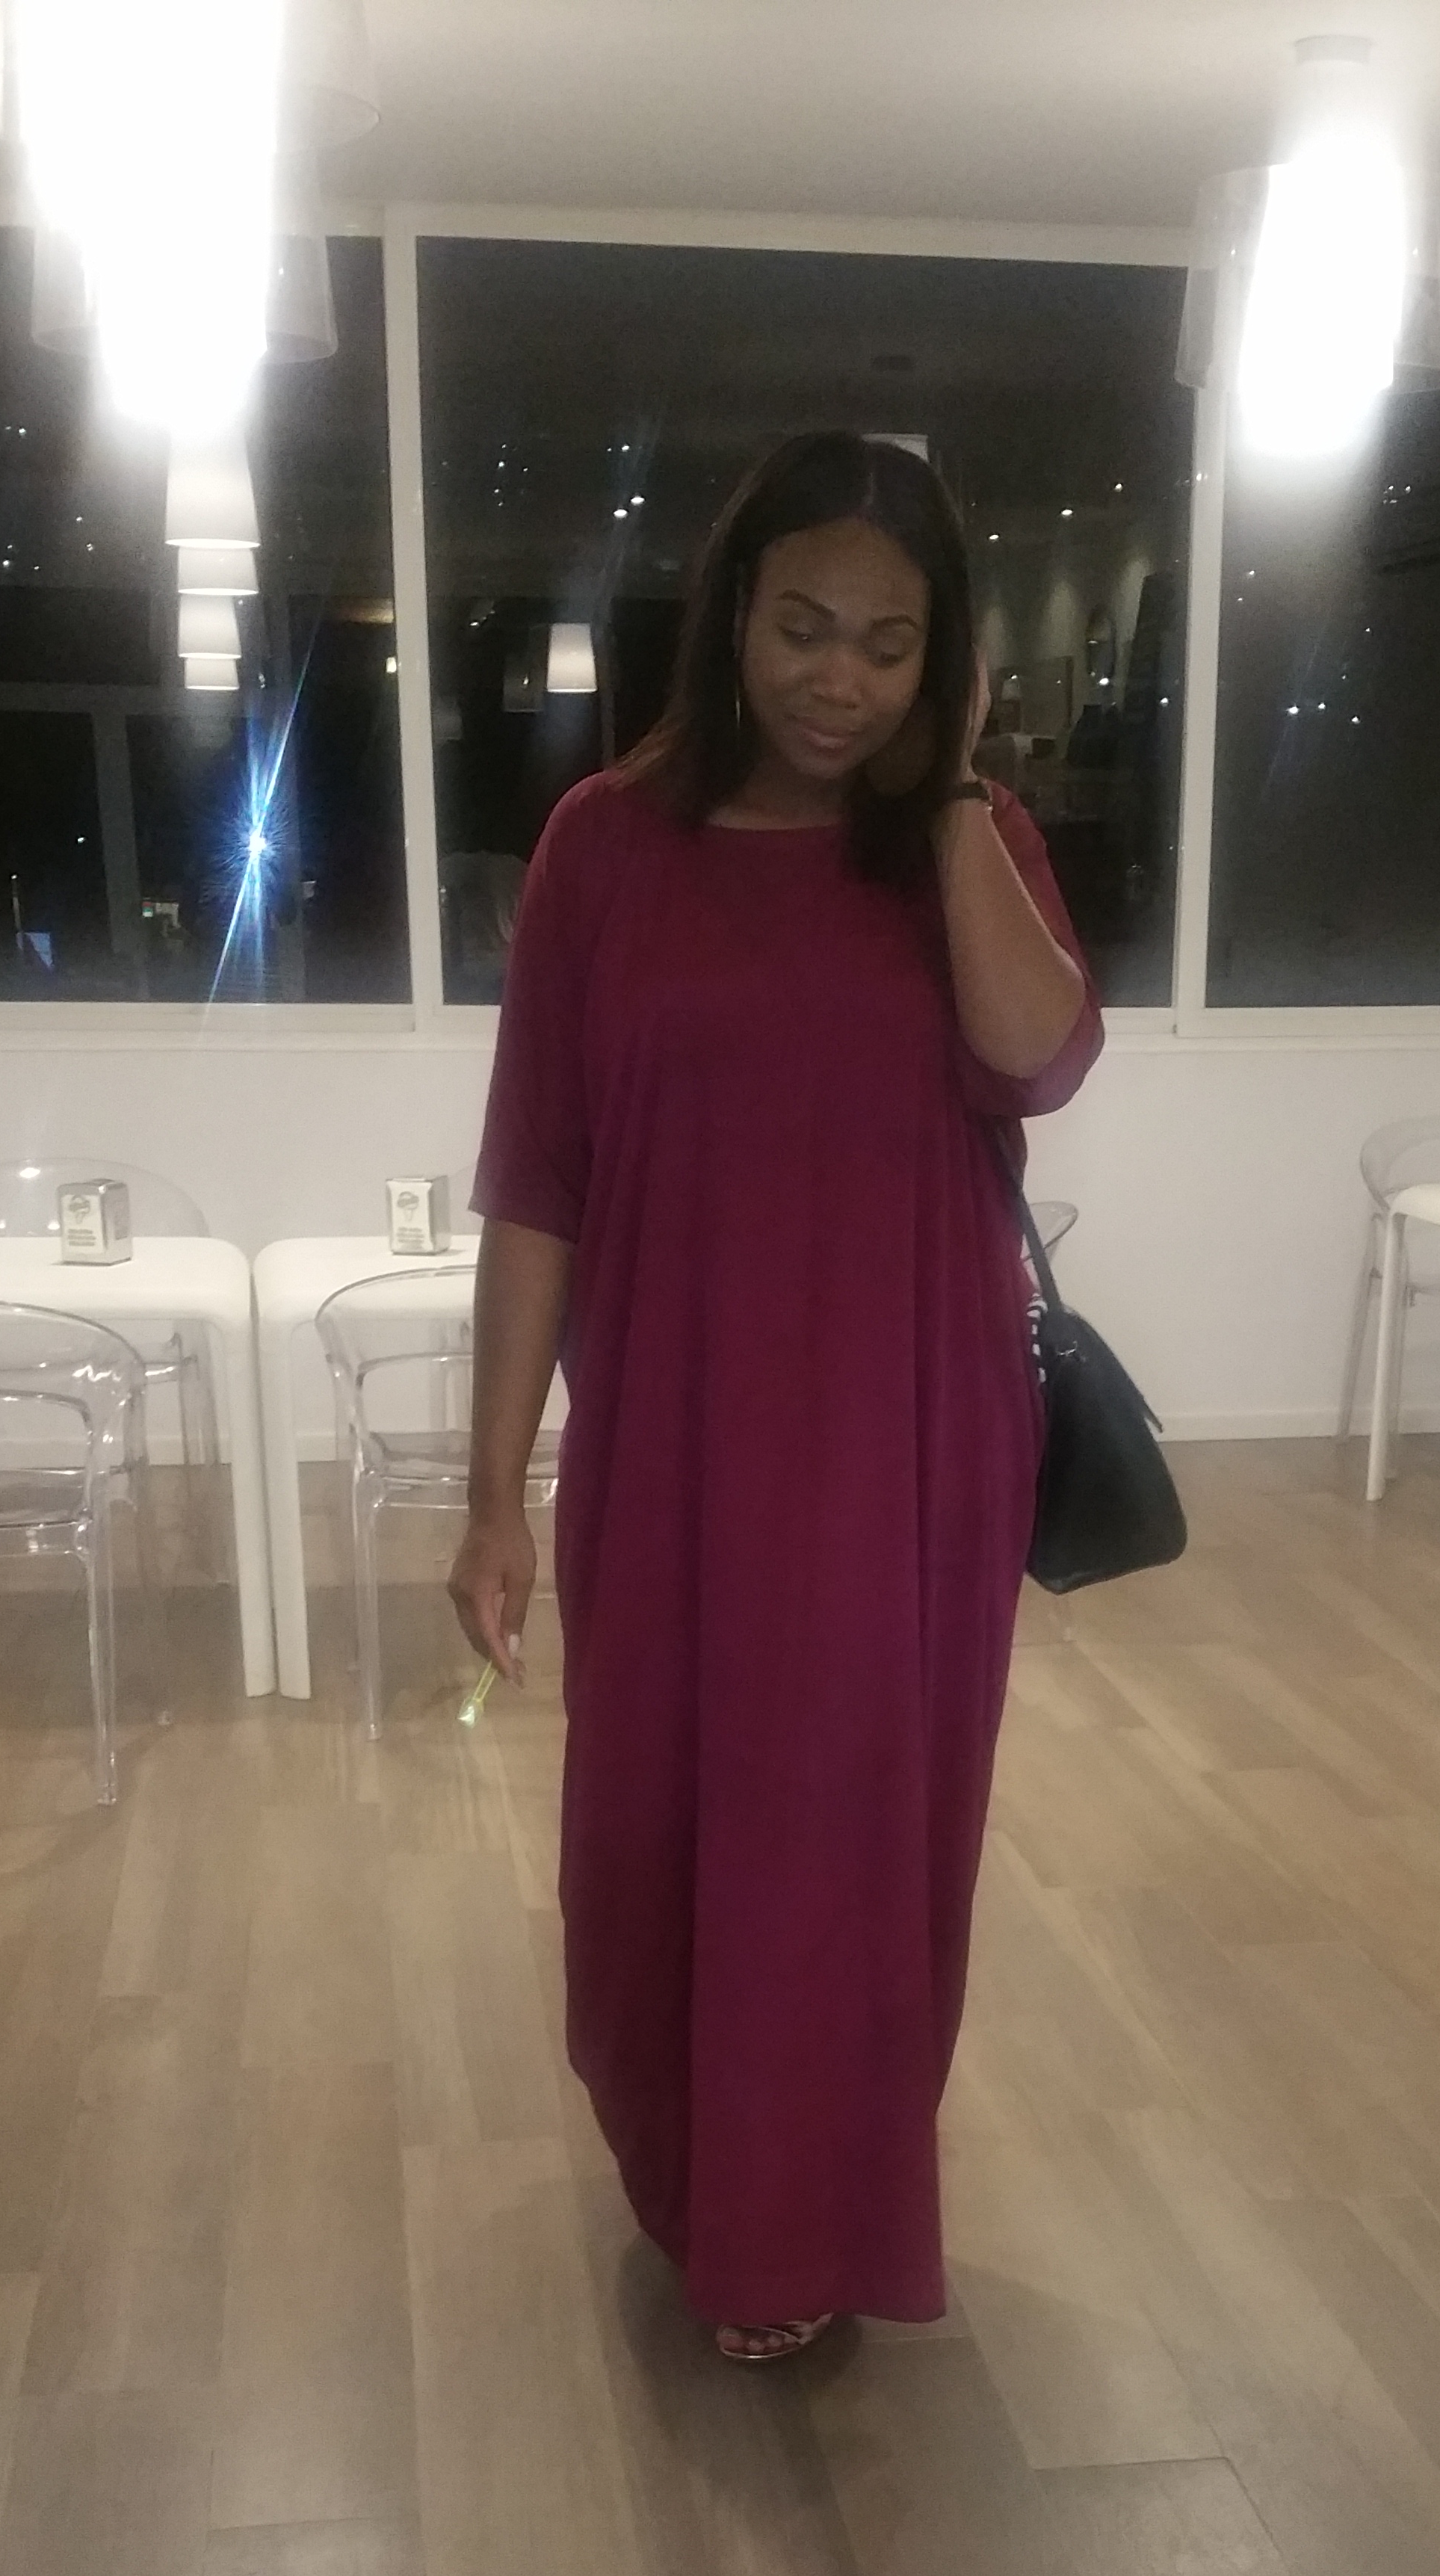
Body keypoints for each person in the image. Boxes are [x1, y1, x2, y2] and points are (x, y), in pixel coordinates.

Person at [450, 429, 1102, 2362]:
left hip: (910, 1444)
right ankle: (696, 2183)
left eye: (893, 646)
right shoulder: (604, 853)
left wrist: (958, 795)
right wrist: (491, 1492)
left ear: (944, 662)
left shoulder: (965, 846)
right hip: (671, 1444)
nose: (842, 680)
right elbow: (536, 1184)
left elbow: (1041, 1058)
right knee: (654, 1839)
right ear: (735, 611)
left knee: (851, 1845)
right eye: (806, 626)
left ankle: (803, 2226)